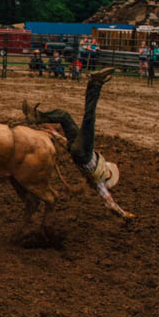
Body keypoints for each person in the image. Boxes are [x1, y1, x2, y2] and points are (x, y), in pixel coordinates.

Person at [22, 68, 132, 219]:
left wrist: (123, 213)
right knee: (65, 116)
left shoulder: (99, 183)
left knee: (89, 117)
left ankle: (95, 83)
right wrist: (55, 134)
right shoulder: (96, 179)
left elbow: (110, 203)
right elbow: (72, 148)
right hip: (78, 150)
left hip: (84, 153)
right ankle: (37, 117)